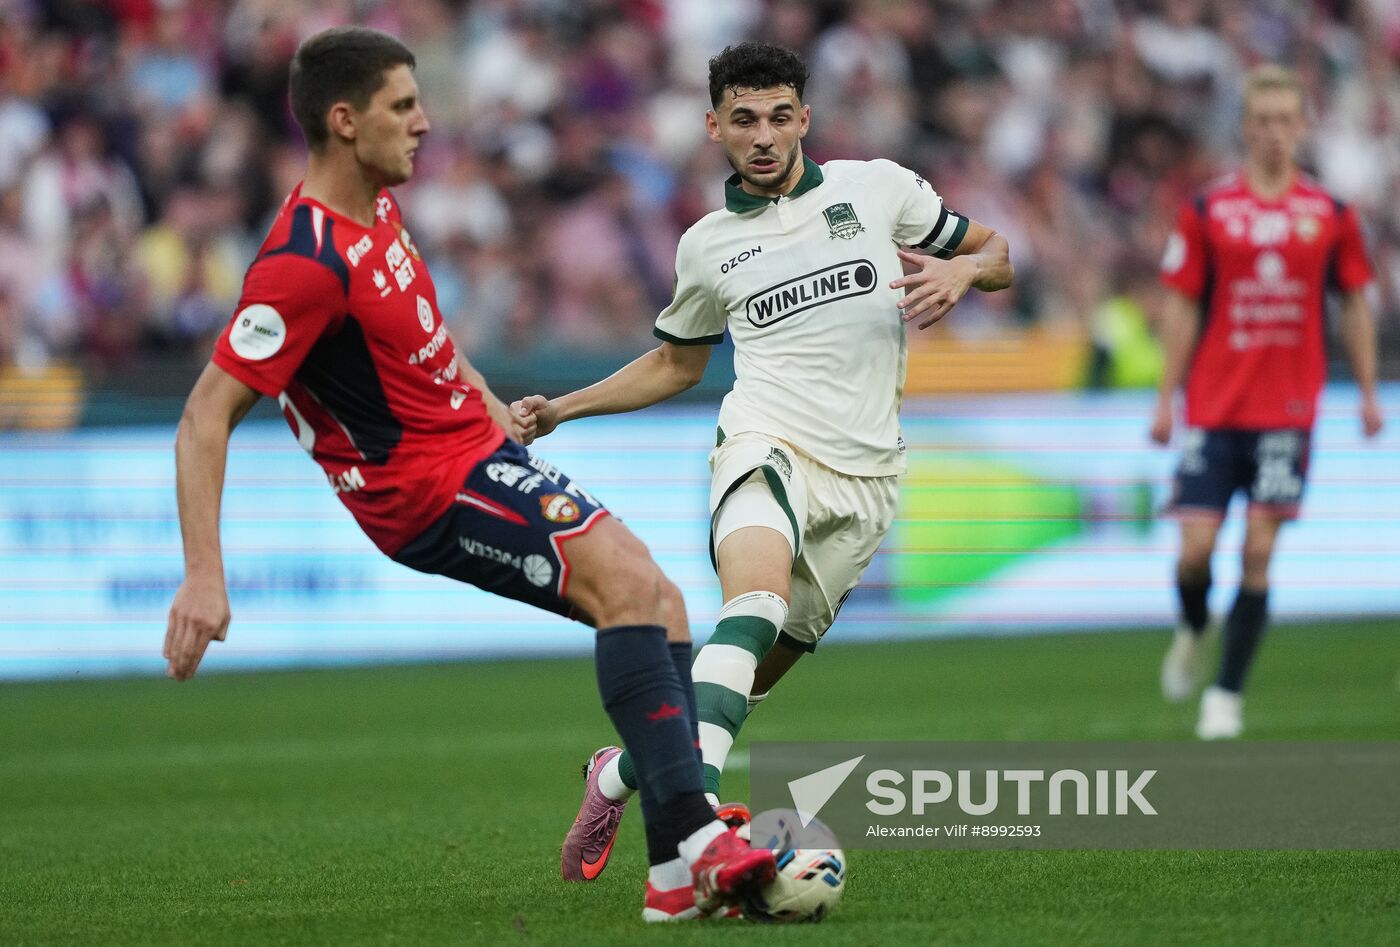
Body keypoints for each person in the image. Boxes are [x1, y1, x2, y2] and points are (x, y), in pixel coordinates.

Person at [160, 26, 774, 922]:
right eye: (403, 106)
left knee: (661, 602)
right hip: (420, 488)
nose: (424, 122)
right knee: (626, 583)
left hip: (477, 454)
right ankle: (701, 840)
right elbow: (203, 418)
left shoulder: (378, 209)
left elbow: (425, 339)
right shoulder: (302, 263)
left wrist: (490, 407)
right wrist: (204, 575)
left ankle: (675, 882)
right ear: (345, 120)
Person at [516, 42, 1012, 887]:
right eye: (744, 119)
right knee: (753, 603)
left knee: (741, 679)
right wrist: (563, 409)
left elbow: (998, 251)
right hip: (763, 443)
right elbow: (674, 364)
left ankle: (615, 775)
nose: (764, 136)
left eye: (780, 116)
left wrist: (964, 270)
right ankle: (699, 836)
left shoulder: (877, 189)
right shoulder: (707, 245)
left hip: (866, 481)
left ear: (804, 119)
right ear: (715, 127)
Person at [1152, 64, 1384, 739]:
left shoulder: (1330, 215)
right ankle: (1193, 624)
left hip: (1288, 411)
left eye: (1286, 119)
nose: (1275, 132)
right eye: (1263, 121)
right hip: (1215, 406)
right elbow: (1182, 305)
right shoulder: (1208, 211)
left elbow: (1355, 303)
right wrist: (1165, 399)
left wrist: (1369, 392)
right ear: (1246, 128)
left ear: (1302, 126)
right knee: (1194, 553)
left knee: (1257, 551)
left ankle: (1225, 696)